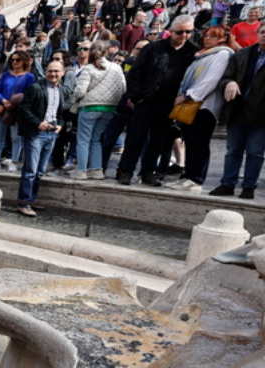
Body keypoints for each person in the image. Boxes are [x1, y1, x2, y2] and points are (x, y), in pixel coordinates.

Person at [116, 15, 198, 186]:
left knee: (158, 141)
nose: (184, 35)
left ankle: (148, 172)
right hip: (145, 101)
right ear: (171, 32)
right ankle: (126, 171)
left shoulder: (192, 51)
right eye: (180, 32)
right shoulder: (153, 48)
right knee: (135, 138)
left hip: (169, 104)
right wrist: (135, 96)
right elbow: (135, 73)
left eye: (188, 31)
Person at [170, 25, 235, 191]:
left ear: (222, 39)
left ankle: (196, 177)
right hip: (192, 103)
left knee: (199, 142)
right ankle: (188, 174)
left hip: (205, 105)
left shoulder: (223, 54)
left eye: (213, 36)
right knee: (190, 141)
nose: (207, 39)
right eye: (206, 35)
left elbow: (211, 80)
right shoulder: (202, 55)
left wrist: (187, 96)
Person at [211, 21, 265, 198]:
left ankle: (249, 186)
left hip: (261, 115)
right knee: (233, 150)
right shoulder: (242, 54)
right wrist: (230, 83)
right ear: (257, 33)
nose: (264, 35)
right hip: (238, 110)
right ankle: (227, 184)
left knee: (255, 153)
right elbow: (225, 77)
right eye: (263, 32)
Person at [14, 60, 66, 217]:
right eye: (50, 71)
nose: (53, 74)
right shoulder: (35, 87)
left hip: (52, 133)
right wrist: (38, 124)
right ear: (45, 71)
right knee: (30, 170)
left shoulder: (61, 90)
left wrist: (60, 125)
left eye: (56, 71)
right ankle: (24, 203)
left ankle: (31, 200)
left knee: (40, 171)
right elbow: (23, 108)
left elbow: (61, 112)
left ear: (62, 73)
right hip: (36, 133)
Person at [70, 39, 127, 180]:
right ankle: (97, 170)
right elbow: (123, 88)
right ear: (107, 51)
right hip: (109, 108)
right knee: (96, 139)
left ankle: (81, 170)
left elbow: (80, 91)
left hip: (89, 106)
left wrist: (73, 100)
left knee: (83, 140)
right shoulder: (117, 68)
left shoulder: (88, 69)